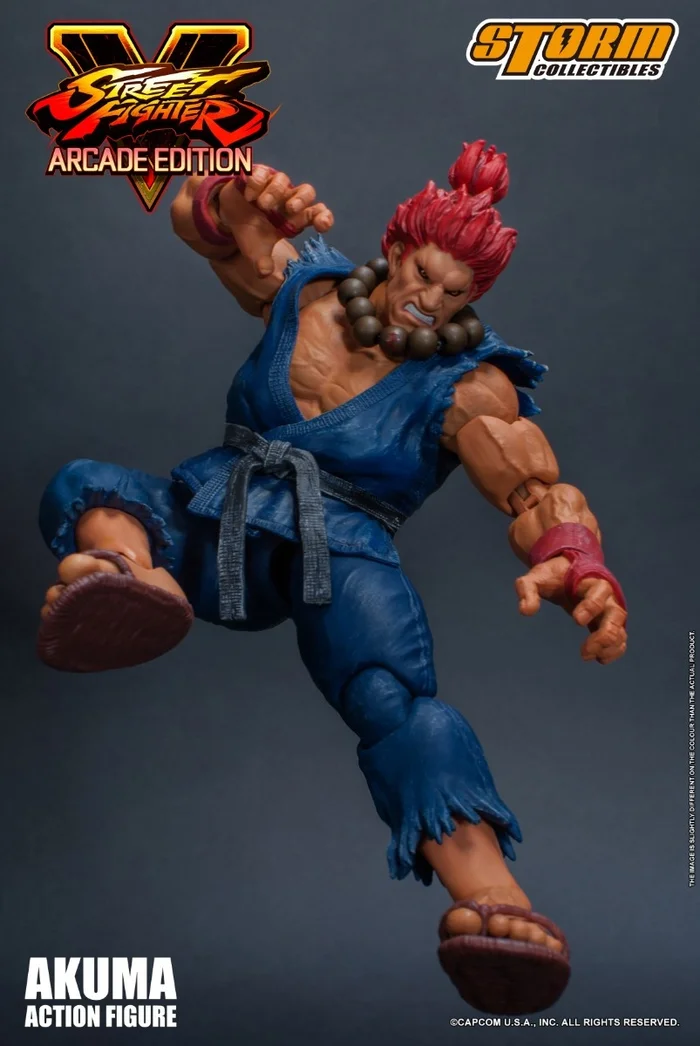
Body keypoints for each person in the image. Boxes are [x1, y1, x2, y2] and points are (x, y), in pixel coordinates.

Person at [37, 141, 627, 1015]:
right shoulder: (307, 286)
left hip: (343, 553)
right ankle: (133, 582)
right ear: (397, 247)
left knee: (393, 697)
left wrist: (578, 563)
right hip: (222, 510)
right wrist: (233, 195)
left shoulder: (468, 386)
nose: (430, 299)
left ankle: (492, 897)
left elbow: (535, 489)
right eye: (424, 273)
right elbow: (204, 226)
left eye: (456, 291)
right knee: (90, 487)